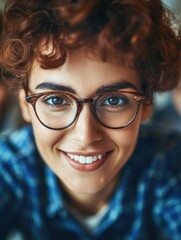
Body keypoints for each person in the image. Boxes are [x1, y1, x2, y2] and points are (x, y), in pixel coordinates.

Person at [0, 0, 180, 239]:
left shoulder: (168, 163)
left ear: (146, 104)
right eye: (55, 100)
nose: (85, 136)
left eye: (114, 100)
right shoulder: (11, 168)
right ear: (25, 104)